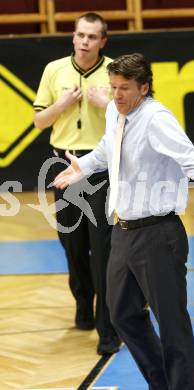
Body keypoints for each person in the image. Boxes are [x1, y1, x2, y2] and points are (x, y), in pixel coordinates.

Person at [54, 53, 194, 389]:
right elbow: (109, 149)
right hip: (122, 231)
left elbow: (190, 157)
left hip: (158, 234)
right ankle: (162, 382)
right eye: (113, 87)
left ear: (144, 87)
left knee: (172, 322)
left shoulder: (156, 118)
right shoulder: (114, 111)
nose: (116, 94)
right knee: (121, 314)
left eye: (124, 88)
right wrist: (84, 166)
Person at [33, 12, 120, 355]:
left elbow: (135, 116)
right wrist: (62, 104)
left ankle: (107, 330)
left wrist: (107, 103)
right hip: (63, 165)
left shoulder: (115, 70)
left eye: (92, 37)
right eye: (80, 35)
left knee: (103, 249)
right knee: (72, 243)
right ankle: (83, 306)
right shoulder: (54, 70)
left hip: (100, 166)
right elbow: (40, 121)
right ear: (73, 37)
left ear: (103, 42)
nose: (85, 41)